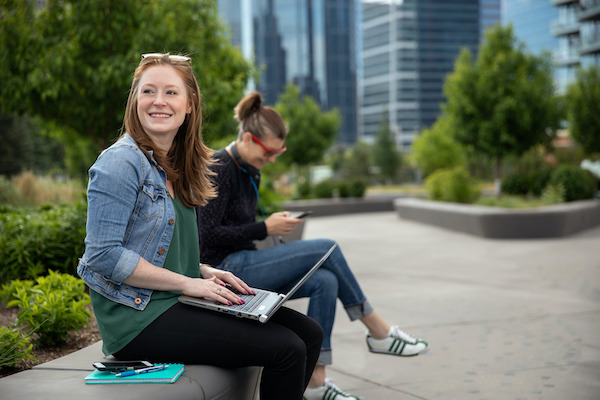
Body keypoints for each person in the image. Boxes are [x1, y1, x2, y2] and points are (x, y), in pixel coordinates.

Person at [77, 54, 323, 400]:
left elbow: (163, 248)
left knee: (309, 333)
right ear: (135, 101)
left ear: (190, 104)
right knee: (287, 349)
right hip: (137, 318)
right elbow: (103, 255)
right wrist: (189, 282)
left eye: (170, 93)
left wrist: (204, 272)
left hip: (172, 299)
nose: (158, 101)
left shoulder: (179, 163)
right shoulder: (120, 162)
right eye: (148, 91)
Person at [196, 91, 430, 400]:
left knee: (325, 281)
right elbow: (207, 234)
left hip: (244, 263)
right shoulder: (220, 166)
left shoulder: (248, 169)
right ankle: (378, 330)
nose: (272, 160)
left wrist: (267, 227)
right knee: (328, 247)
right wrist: (267, 227)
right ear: (250, 139)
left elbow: (237, 227)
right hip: (222, 270)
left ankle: (317, 382)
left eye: (278, 153)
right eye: (269, 152)